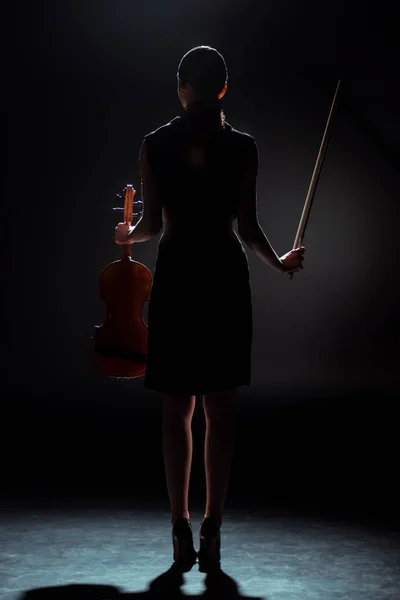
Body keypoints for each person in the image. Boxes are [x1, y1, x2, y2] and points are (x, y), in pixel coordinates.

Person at [115, 46, 305, 573]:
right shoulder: (243, 148)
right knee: (221, 409)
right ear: (222, 89)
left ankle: (180, 527)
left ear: (183, 89)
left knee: (177, 409)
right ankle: (212, 526)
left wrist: (125, 234)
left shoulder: (155, 144)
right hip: (223, 277)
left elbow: (151, 225)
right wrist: (281, 262)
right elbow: (247, 229)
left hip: (177, 276)